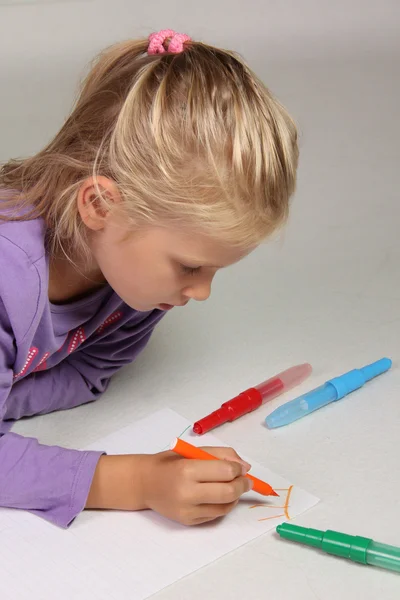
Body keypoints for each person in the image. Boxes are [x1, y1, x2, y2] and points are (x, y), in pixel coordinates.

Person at [0, 29, 298, 528]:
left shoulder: (134, 286)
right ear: (99, 205)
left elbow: (88, 373)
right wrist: (135, 481)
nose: (201, 292)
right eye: (189, 266)